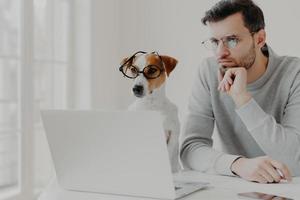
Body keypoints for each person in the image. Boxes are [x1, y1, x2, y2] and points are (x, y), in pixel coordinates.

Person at [180, 0, 300, 184]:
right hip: (232, 187)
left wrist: (242, 99)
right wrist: (237, 165)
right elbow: (190, 149)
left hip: (287, 189)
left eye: (232, 40)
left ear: (259, 39)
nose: (220, 53)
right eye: (214, 41)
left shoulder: (294, 74)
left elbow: (295, 161)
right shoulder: (208, 71)